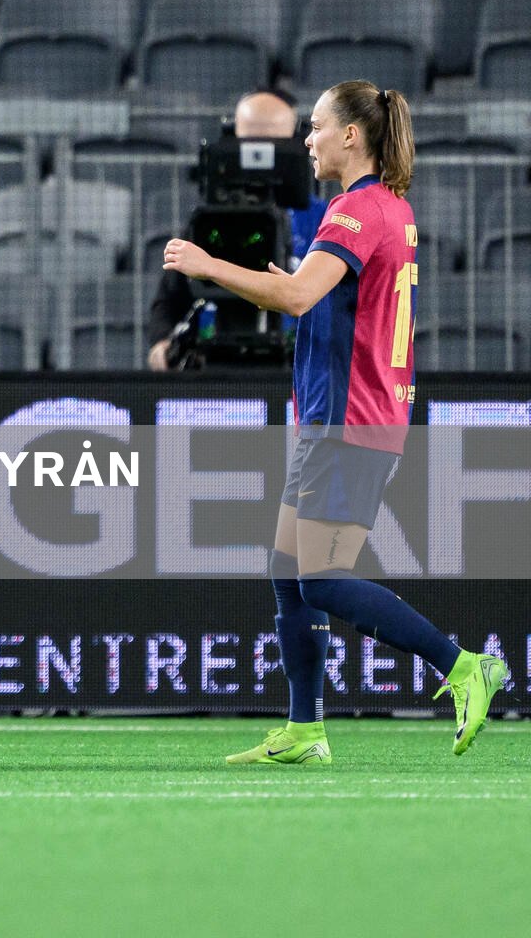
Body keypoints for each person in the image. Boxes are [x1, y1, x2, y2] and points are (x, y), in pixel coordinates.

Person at [163, 80, 507, 764]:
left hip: (352, 418)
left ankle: (463, 665)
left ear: (353, 135)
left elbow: (294, 297)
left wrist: (208, 267)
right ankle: (305, 728)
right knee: (288, 573)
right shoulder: (385, 208)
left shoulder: (355, 211)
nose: (307, 140)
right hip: (344, 414)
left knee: (319, 578)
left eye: (316, 127)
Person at [146, 90, 325, 370]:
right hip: (216, 368)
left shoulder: (327, 220)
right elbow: (170, 299)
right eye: (250, 142)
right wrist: (162, 345)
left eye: (274, 144)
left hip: (301, 369)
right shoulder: (209, 222)